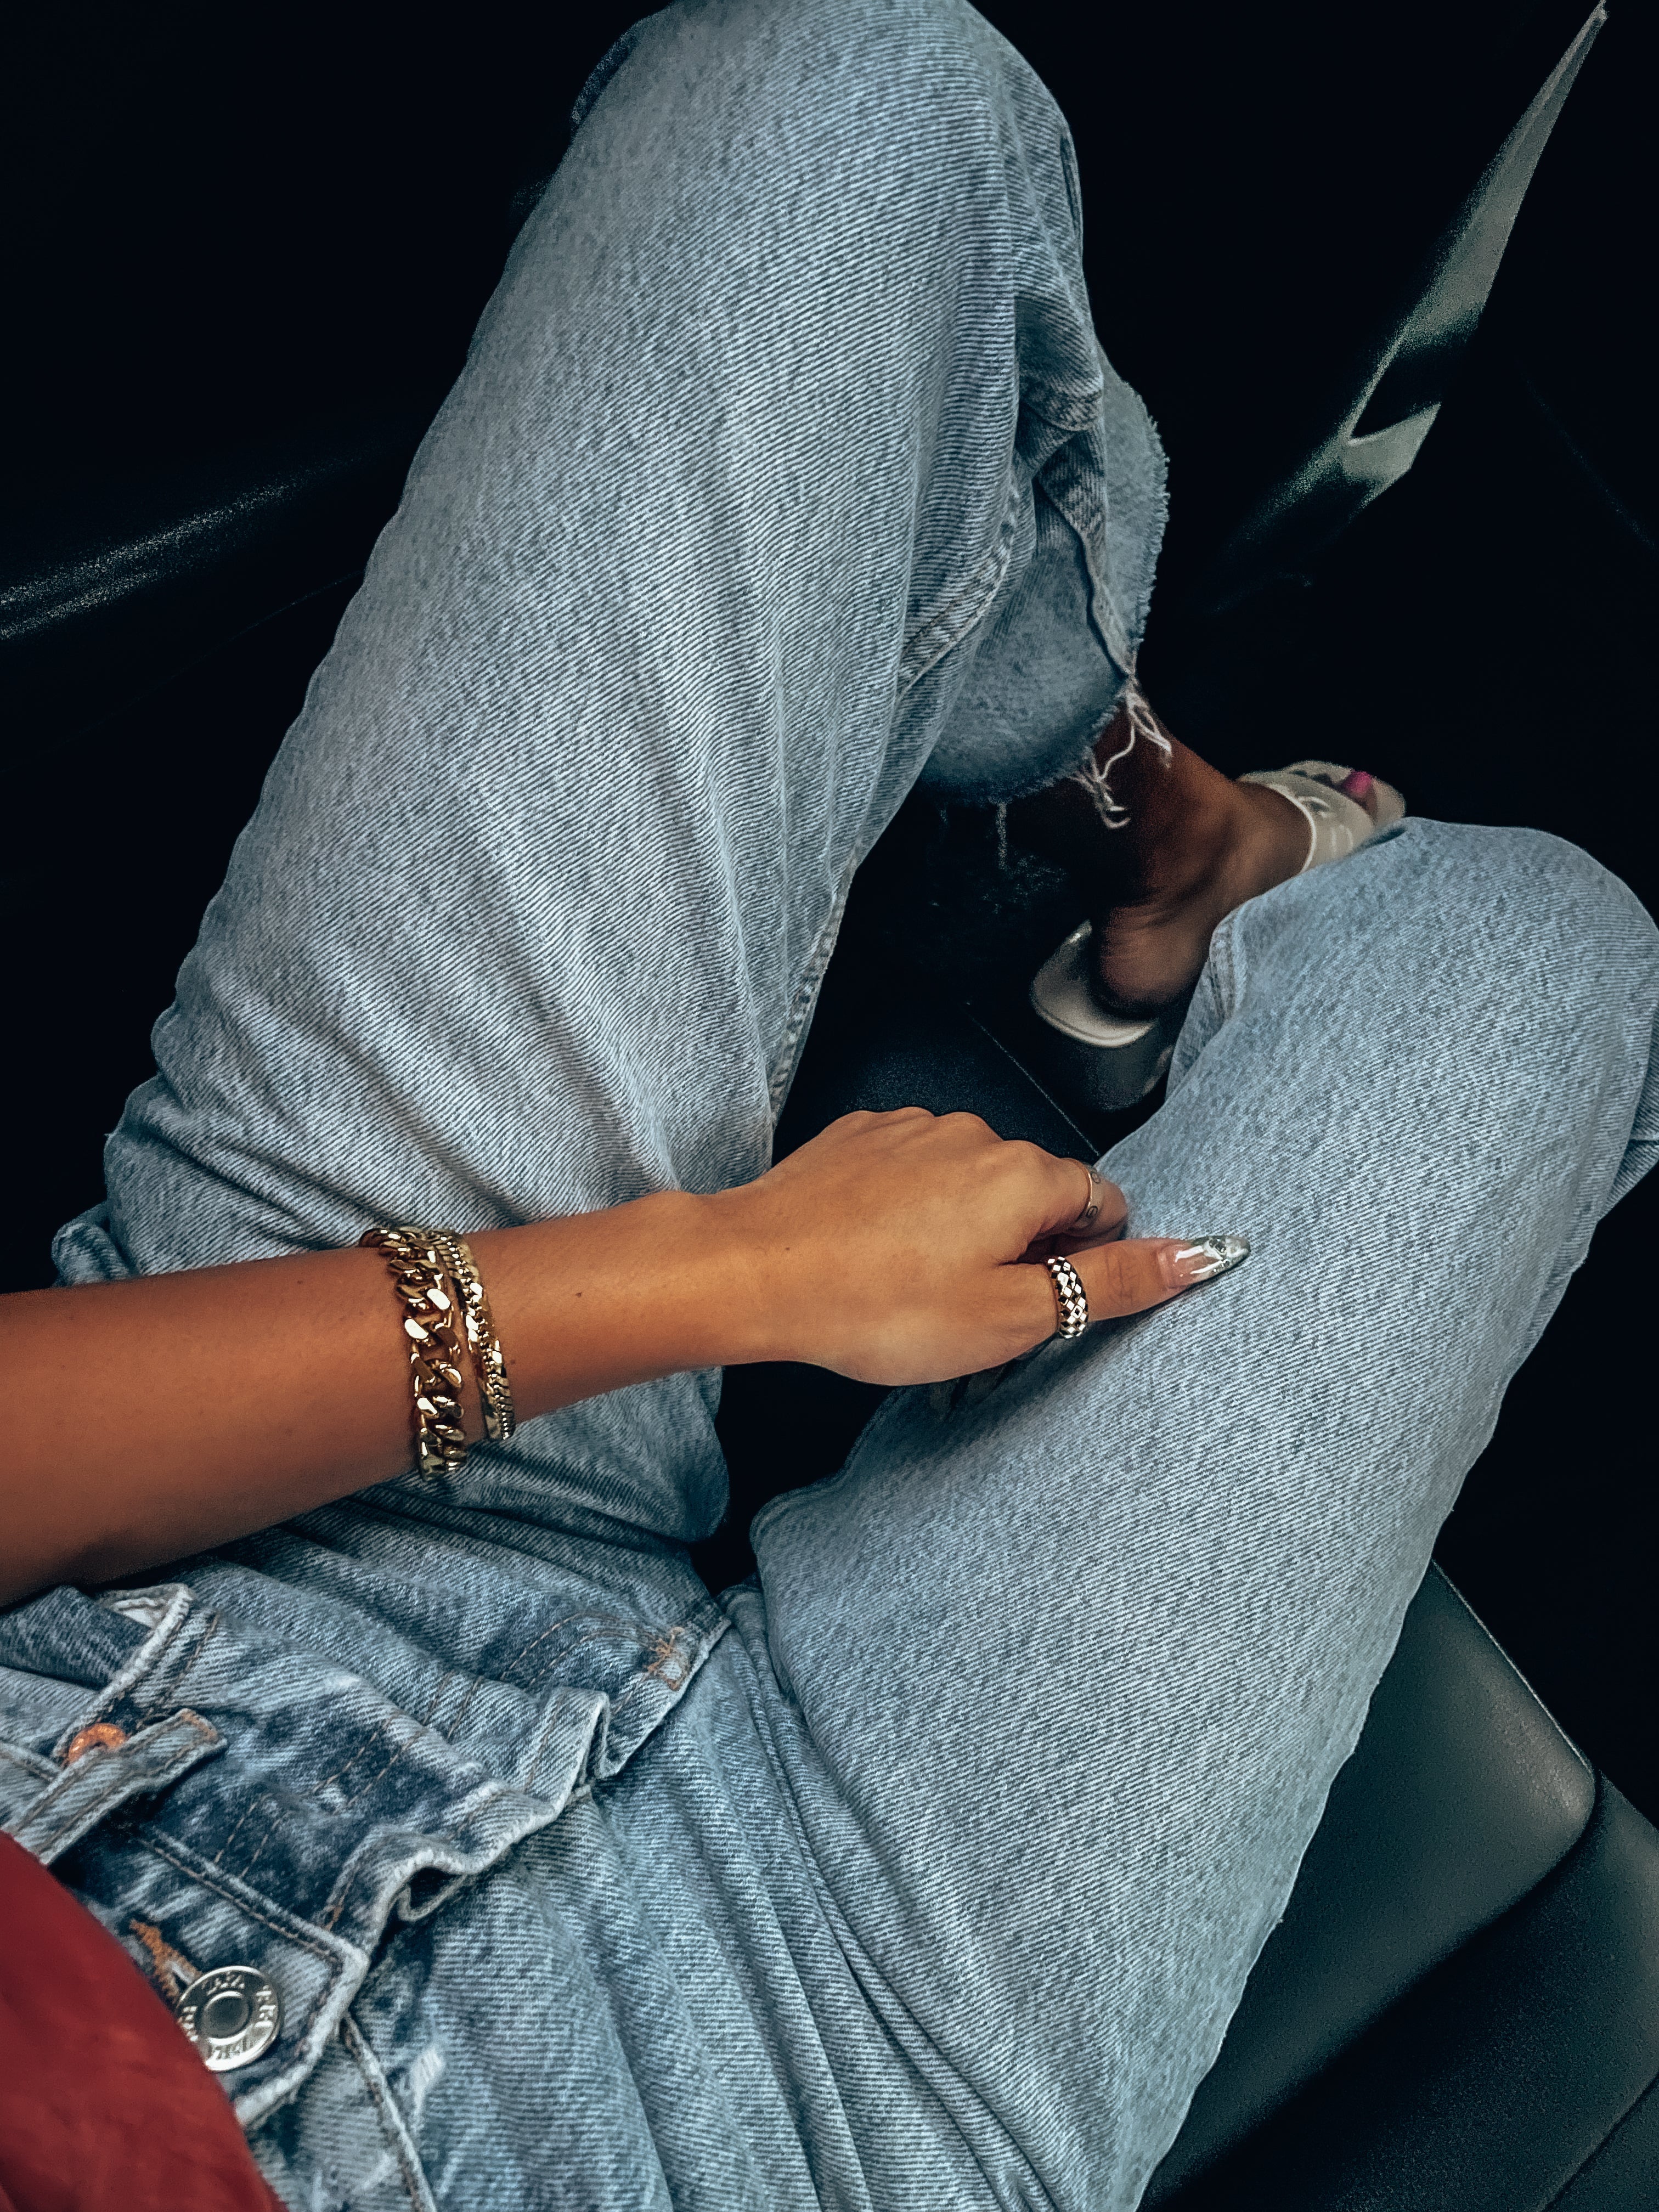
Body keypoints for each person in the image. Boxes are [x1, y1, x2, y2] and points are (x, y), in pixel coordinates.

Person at [1, 3, 1654, 2207]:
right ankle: (1161, 856)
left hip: (162, 1602)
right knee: (1528, 953)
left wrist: (720, 1273)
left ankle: (1140, 818)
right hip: (752, 2107)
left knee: (846, 104)